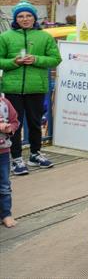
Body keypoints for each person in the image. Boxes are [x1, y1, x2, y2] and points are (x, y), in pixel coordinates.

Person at [0, 0, 62, 175]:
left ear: (34, 18)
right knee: (15, 125)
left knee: (35, 123)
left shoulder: (45, 37)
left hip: (37, 86)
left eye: (28, 15)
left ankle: (35, 154)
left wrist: (36, 59)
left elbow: (56, 59)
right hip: (13, 88)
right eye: (20, 16)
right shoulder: (5, 37)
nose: (25, 19)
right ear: (15, 19)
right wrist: (14, 62)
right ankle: (17, 158)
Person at [1, 94, 20, 228]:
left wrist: (10, 129)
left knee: (4, 185)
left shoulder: (5, 103)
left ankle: (6, 214)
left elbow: (15, 121)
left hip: (3, 152)